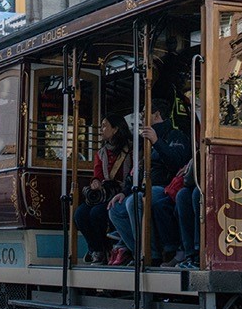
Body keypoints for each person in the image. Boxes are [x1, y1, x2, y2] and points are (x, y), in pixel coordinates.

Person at [107, 101, 189, 266]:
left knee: (135, 201)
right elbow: (137, 169)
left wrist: (157, 142)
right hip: (143, 188)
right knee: (115, 209)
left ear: (157, 114)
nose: (142, 117)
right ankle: (138, 251)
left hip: (165, 186)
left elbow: (176, 163)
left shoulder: (175, 136)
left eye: (145, 113)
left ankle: (151, 255)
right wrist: (125, 190)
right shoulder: (143, 140)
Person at [73, 116, 132, 264]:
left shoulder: (131, 150)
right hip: (105, 193)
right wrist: (95, 183)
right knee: (80, 214)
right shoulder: (101, 153)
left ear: (116, 129)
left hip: (124, 191)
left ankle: (108, 247)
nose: (101, 130)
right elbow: (97, 175)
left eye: (104, 126)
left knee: (97, 213)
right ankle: (96, 249)